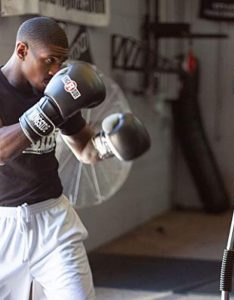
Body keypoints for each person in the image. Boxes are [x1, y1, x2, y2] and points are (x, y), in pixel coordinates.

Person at [0, 16, 150, 300]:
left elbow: (85, 150)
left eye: (62, 61)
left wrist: (112, 143)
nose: (56, 70)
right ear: (22, 51)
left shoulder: (54, 92)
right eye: (49, 60)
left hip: (53, 222)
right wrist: (49, 110)